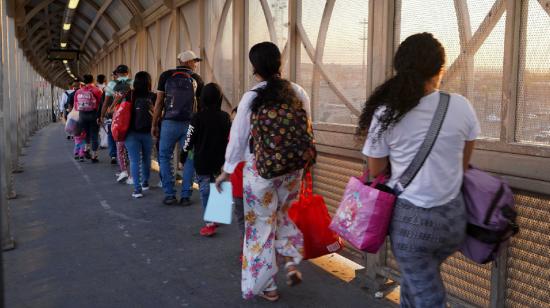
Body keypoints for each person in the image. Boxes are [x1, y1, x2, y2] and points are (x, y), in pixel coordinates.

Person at [358, 33, 480, 308]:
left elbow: (376, 170)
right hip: (454, 219)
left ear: (399, 69)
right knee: (415, 283)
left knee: (428, 296)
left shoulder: (387, 113)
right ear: (440, 69)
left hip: (412, 225)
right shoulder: (461, 106)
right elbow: (461, 165)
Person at [215, 42, 311, 301]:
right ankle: (291, 262)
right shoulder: (298, 91)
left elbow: (237, 138)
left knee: (259, 227)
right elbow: (307, 131)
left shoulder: (252, 96)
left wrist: (227, 170)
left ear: (254, 67)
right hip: (291, 170)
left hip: (260, 172)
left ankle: (268, 286)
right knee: (284, 215)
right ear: (279, 63)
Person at [152, 50, 204, 205]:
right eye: (194, 61)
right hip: (189, 124)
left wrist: (154, 124)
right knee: (189, 157)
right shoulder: (196, 79)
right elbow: (200, 107)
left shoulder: (166, 76)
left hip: (169, 122)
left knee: (164, 157)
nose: (196, 64)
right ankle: (186, 195)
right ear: (188, 62)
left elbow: (159, 102)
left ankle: (169, 194)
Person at [182, 83, 231, 236]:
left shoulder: (197, 117)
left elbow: (189, 137)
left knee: (204, 190)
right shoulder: (225, 117)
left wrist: (184, 153)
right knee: (220, 187)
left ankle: (209, 223)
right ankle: (217, 217)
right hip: (220, 160)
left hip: (202, 160)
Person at [125, 71, 156, 198]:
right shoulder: (152, 96)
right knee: (146, 158)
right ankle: (145, 182)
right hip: (148, 132)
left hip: (131, 132)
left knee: (134, 161)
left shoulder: (130, 94)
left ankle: (137, 190)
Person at [101, 66, 134, 181]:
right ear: (128, 73)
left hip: (119, 116)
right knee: (131, 146)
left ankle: (124, 170)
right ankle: (131, 173)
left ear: (117, 74)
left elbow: (105, 102)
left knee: (120, 144)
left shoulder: (111, 84)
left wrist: (102, 115)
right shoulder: (133, 82)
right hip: (133, 116)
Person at [74, 74, 103, 163]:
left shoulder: (78, 91)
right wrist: (100, 115)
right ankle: (94, 156)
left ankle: (86, 149)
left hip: (82, 115)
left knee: (85, 133)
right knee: (94, 135)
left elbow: (76, 106)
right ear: (93, 80)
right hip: (94, 114)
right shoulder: (97, 90)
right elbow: (101, 103)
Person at [229, 107, 245, 239]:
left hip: (241, 189)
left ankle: (247, 249)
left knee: (242, 219)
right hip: (243, 188)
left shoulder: (233, 137)